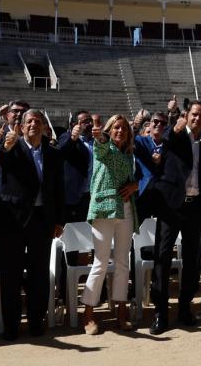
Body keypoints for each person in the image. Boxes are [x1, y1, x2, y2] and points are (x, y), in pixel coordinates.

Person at [0, 109, 66, 339]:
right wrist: (5, 146)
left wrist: (59, 220)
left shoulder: (53, 153)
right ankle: (11, 325)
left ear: (44, 127)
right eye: (29, 121)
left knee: (39, 273)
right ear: (21, 127)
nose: (34, 124)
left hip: (42, 220)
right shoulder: (13, 146)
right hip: (12, 219)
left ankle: (35, 321)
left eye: (38, 121)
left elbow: (59, 189)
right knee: (10, 274)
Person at [148, 100, 201, 334]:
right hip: (170, 206)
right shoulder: (175, 136)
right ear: (186, 116)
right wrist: (173, 127)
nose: (197, 119)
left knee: (192, 260)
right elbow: (165, 142)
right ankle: (160, 312)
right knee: (162, 258)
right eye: (194, 115)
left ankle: (185, 307)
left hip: (195, 207)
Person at [81, 114, 139, 334]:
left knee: (123, 262)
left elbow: (131, 181)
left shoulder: (129, 154)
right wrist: (101, 137)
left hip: (125, 209)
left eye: (124, 128)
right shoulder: (103, 148)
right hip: (104, 210)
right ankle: (88, 316)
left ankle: (121, 313)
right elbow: (101, 146)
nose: (120, 131)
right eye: (116, 127)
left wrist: (134, 186)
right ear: (109, 130)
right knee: (100, 263)